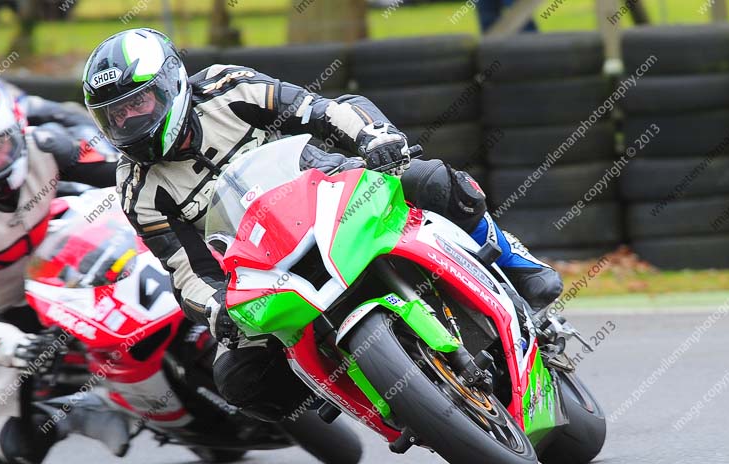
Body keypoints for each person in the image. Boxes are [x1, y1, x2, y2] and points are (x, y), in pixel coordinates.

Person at [82, 28, 562, 422]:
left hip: (334, 194)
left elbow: (317, 109)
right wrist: (216, 311)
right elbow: (185, 268)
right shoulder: (137, 189)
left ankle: (519, 264)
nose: (128, 121)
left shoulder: (228, 89)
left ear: (170, 85)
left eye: (137, 104)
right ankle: (350, 390)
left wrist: (376, 139)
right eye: (114, 115)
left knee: (432, 179)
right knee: (239, 379)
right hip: (264, 268)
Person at [0, 74, 130, 464]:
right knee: (8, 457)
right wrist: (19, 347)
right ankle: (78, 411)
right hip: (10, 315)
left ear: (17, 132)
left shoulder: (48, 144)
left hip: (64, 251)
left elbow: (129, 173)